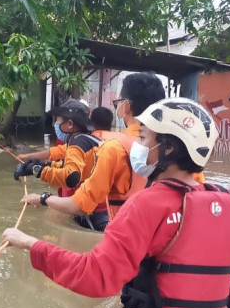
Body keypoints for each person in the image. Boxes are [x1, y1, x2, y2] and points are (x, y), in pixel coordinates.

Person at [2, 97, 230, 308]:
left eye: (143, 138)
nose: (138, 146)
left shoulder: (147, 203)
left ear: (169, 147)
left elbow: (94, 277)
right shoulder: (225, 202)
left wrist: (31, 244)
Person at [18, 72, 166, 221]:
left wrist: (42, 196)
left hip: (121, 230)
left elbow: (79, 198)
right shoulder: (173, 147)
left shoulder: (113, 147)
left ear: (126, 106)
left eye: (118, 103)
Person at [13, 98, 108, 231]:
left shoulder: (77, 145)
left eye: (58, 120)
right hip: (103, 207)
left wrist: (36, 170)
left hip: (94, 213)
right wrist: (39, 165)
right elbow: (65, 165)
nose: (55, 124)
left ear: (69, 123)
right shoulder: (89, 140)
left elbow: (71, 176)